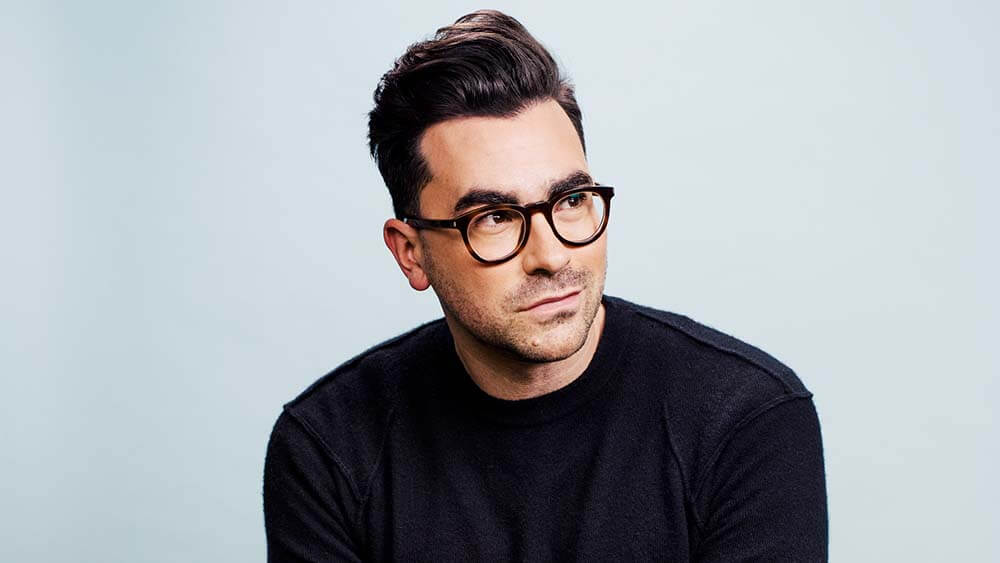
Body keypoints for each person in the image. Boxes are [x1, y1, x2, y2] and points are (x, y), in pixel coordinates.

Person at [263, 9, 827, 561]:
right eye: (494, 217)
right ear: (411, 253)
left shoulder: (746, 420)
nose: (552, 256)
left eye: (572, 200)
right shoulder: (329, 448)